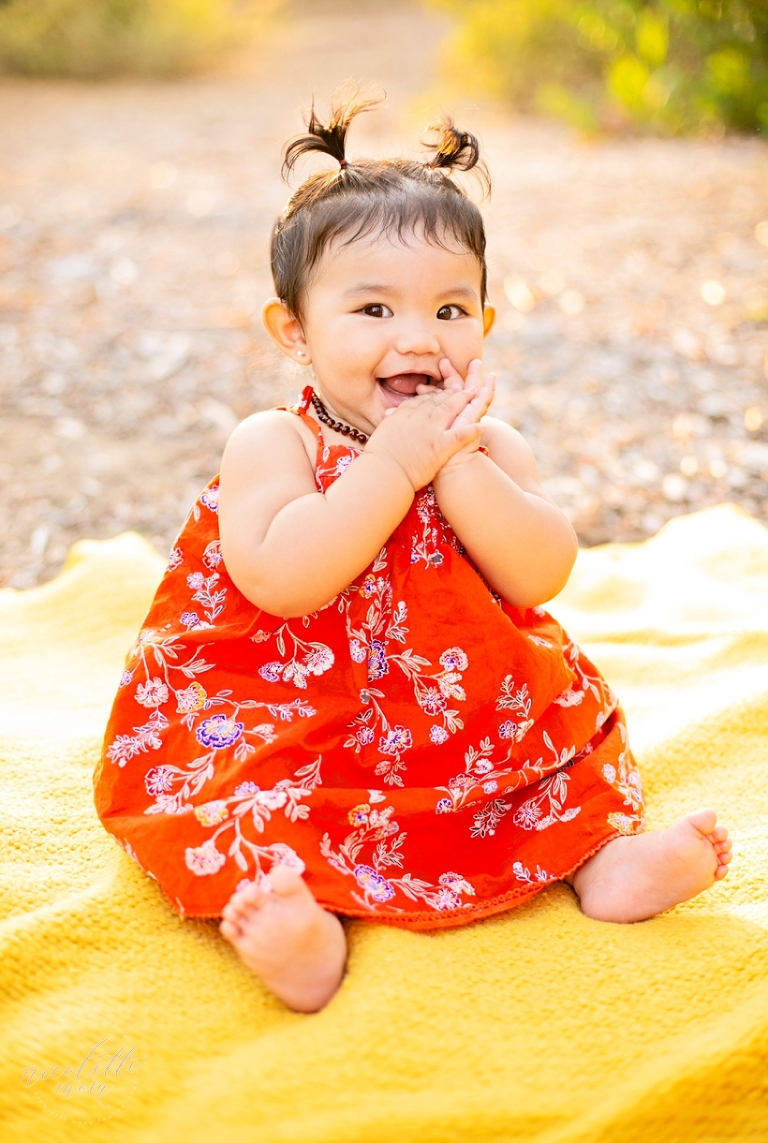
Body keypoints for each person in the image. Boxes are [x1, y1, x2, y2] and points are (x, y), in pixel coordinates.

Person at [94, 91, 731, 1013]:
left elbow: (541, 572)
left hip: (469, 732)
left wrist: (457, 467)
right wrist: (393, 465)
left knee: (558, 766)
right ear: (295, 334)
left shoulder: (489, 446)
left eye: (447, 308)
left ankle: (603, 865)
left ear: (485, 324)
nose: (417, 337)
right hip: (302, 723)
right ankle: (301, 925)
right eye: (372, 309)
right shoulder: (274, 445)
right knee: (246, 801)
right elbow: (282, 580)